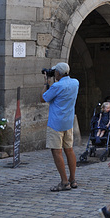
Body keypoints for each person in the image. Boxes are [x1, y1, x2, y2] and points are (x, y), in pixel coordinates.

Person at [41, 62, 80, 192]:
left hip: (56, 123)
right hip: (68, 122)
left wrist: (46, 82)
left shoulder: (57, 86)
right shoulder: (75, 82)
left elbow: (43, 98)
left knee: (56, 151)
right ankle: (72, 179)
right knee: (69, 149)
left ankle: (64, 182)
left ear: (57, 73)